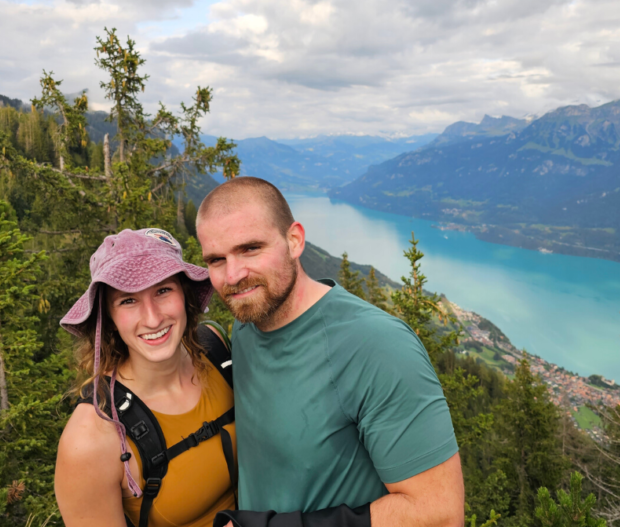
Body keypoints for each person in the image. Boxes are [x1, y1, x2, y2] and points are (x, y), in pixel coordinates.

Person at [195, 177, 465, 527]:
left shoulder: (376, 345)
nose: (233, 275)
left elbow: (440, 513)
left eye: (250, 248)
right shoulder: (247, 325)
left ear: (294, 240)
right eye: (216, 259)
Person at [55, 228, 237, 527]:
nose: (152, 318)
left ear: (185, 295)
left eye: (163, 290)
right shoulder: (91, 441)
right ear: (109, 319)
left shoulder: (215, 349)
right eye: (128, 301)